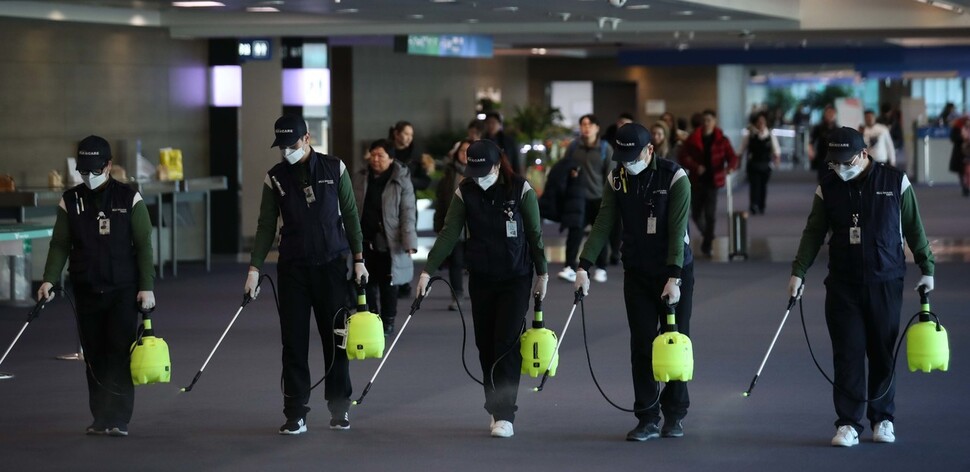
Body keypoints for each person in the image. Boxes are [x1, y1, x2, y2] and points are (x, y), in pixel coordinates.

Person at [788, 127, 935, 448]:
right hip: (842, 283)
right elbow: (813, 232)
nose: (840, 167)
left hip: (886, 280)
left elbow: (914, 226)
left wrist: (927, 268)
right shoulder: (828, 186)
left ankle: (882, 419)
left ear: (863, 154)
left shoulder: (895, 182)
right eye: (834, 162)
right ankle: (848, 424)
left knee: (882, 353)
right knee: (848, 354)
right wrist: (799, 272)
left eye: (845, 161)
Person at [416, 139, 548, 439]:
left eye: (483, 169)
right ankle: (493, 405)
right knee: (485, 344)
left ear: (498, 165)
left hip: (516, 277)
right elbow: (450, 232)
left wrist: (543, 273)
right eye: (472, 169)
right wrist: (427, 271)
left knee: (506, 343)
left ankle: (505, 413)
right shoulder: (466, 190)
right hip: (481, 277)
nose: (478, 175)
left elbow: (535, 233)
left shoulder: (520, 189)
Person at [246, 115, 368, 435]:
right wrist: (254, 268)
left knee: (336, 339)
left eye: (292, 145)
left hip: (331, 266)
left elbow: (351, 215)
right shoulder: (275, 177)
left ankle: (339, 407)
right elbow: (264, 226)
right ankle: (295, 412)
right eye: (281, 146)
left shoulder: (334, 168)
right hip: (293, 269)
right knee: (294, 342)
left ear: (307, 138)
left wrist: (359, 259)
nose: (286, 151)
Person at [574, 123, 694, 441]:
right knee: (641, 344)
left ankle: (676, 414)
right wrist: (584, 265)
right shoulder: (618, 178)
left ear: (649, 150)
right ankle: (647, 416)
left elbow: (677, 231)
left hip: (675, 269)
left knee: (674, 342)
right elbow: (603, 223)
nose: (626, 162)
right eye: (622, 156)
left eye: (632, 155)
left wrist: (674, 277)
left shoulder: (674, 177)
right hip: (638, 272)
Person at [38, 135, 155, 437]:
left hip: (122, 289)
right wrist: (49, 279)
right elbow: (60, 244)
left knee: (118, 352)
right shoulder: (70, 199)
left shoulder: (129, 198)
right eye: (83, 171)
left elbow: (143, 246)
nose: (88, 177)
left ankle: (119, 417)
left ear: (108, 165)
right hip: (86, 288)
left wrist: (147, 286)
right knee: (93, 355)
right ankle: (100, 417)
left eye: (93, 170)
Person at [352, 139, 417, 335]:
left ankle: (388, 320)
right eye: (372, 155)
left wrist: (409, 242)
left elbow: (408, 211)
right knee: (365, 282)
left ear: (391, 158)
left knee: (389, 284)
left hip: (391, 240)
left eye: (380, 155)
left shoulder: (401, 180)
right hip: (365, 239)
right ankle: (373, 317)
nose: (375, 159)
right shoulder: (360, 177)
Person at [557, 114, 614, 283]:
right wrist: (570, 173)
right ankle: (569, 266)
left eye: (589, 124)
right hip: (578, 198)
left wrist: (609, 197)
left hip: (598, 197)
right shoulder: (574, 147)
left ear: (597, 128)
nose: (586, 127)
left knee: (600, 234)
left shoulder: (605, 148)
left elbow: (610, 174)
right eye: (583, 124)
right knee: (575, 232)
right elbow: (564, 167)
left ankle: (601, 267)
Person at [678, 109, 739, 257]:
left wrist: (729, 168)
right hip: (697, 180)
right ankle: (708, 234)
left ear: (714, 121)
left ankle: (707, 243)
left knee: (710, 214)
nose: (706, 123)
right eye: (704, 120)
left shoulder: (721, 139)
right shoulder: (693, 138)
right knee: (696, 213)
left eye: (709, 120)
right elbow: (683, 156)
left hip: (713, 180)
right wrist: (695, 166)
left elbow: (732, 157)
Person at [435, 139, 473, 310]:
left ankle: (478, 293)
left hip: (475, 226)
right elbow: (441, 201)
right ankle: (457, 294)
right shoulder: (449, 174)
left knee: (475, 261)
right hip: (454, 226)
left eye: (469, 151)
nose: (465, 155)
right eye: (462, 151)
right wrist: (439, 226)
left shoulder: (482, 172)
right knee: (456, 262)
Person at [738, 112, 781, 215]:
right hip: (753, 164)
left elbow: (776, 149)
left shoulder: (770, 135)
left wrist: (776, 159)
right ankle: (753, 204)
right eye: (759, 121)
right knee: (754, 185)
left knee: (762, 186)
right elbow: (741, 149)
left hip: (765, 164)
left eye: (762, 121)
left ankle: (761, 205)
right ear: (755, 123)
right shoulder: (750, 135)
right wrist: (738, 161)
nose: (761, 123)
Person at [389, 120, 431, 192]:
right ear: (396, 134)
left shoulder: (416, 156)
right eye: (406, 134)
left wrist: (407, 180)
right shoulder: (385, 153)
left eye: (411, 135)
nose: (409, 138)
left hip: (408, 199)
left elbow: (424, 182)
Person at [810, 105, 839, 182]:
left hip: (834, 158)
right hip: (822, 156)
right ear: (825, 114)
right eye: (828, 113)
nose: (830, 115)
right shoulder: (819, 128)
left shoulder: (838, 129)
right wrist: (811, 151)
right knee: (822, 178)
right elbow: (811, 141)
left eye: (832, 113)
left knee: (834, 178)